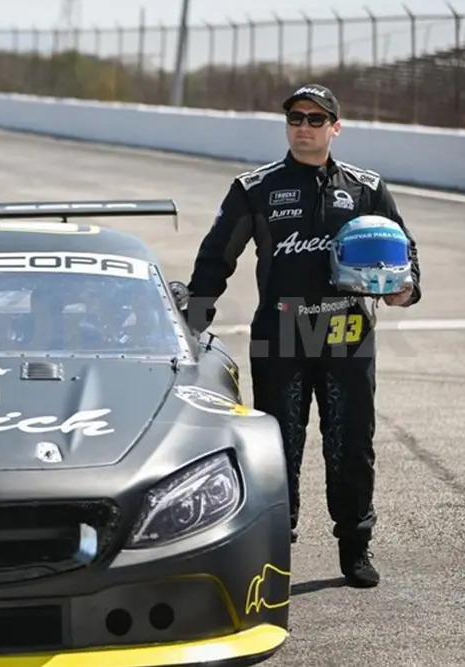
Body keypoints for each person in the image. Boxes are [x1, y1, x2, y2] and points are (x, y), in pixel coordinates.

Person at [181, 83, 422, 588]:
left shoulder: (367, 187)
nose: (305, 127)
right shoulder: (255, 187)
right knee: (277, 449)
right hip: (280, 335)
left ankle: (355, 546)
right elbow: (215, 256)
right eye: (296, 117)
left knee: (351, 445)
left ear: (336, 127)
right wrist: (194, 322)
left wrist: (406, 290)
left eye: (317, 119)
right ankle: (273, 549)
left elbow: (405, 252)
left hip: (347, 334)